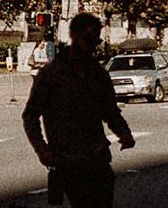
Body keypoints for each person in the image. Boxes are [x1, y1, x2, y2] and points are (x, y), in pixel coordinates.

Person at [23, 13, 135, 208]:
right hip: (67, 158)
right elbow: (31, 115)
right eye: (89, 39)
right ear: (74, 36)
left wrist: (123, 133)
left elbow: (110, 110)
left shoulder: (98, 74)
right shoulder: (51, 74)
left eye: (96, 41)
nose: (92, 45)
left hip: (97, 155)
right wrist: (42, 149)